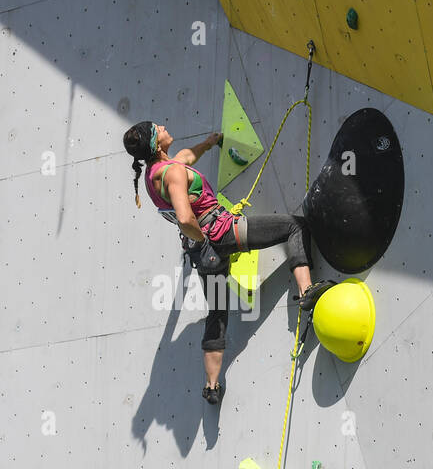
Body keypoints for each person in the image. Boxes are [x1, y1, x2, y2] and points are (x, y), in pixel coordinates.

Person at [123, 121, 333, 404]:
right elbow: (185, 217)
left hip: (202, 255)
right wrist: (205, 240)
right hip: (219, 233)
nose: (162, 126)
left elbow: (185, 158)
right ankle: (307, 291)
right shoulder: (172, 173)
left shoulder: (153, 175)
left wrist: (209, 143)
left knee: (218, 311)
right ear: (155, 143)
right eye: (157, 129)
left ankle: (211, 386)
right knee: (294, 227)